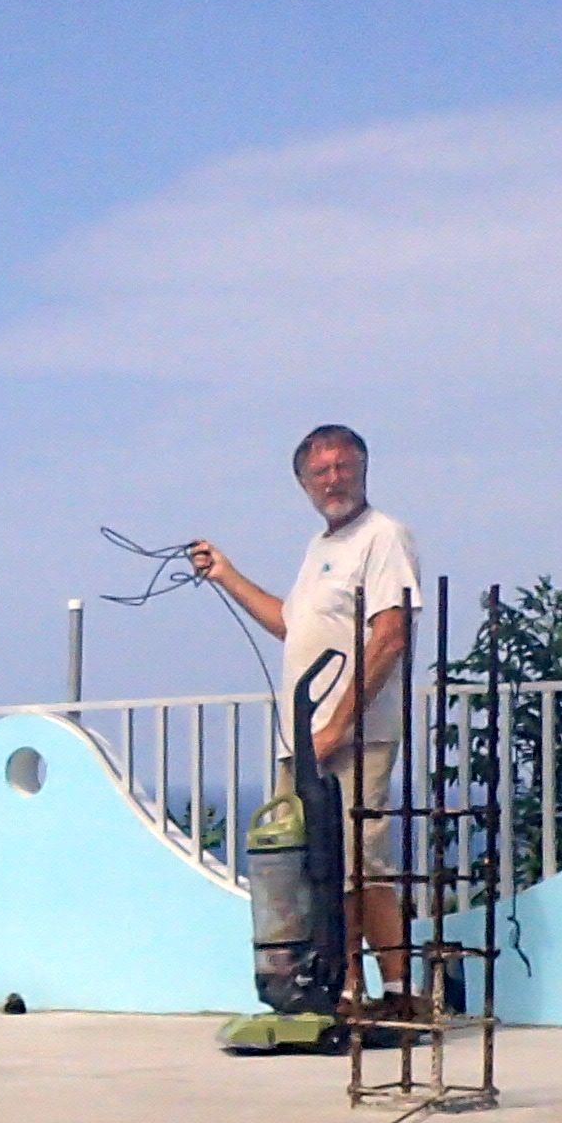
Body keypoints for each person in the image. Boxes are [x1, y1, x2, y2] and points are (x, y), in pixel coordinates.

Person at [192, 426, 419, 1005]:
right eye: (320, 472)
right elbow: (290, 625)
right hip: (306, 737)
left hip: (354, 734)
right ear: (303, 483)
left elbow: (390, 636)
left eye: (343, 467)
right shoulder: (321, 547)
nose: (333, 480)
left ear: (364, 468)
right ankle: (339, 986)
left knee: (358, 862)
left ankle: (392, 990)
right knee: (313, 864)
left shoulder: (383, 536)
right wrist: (226, 574)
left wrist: (337, 726)